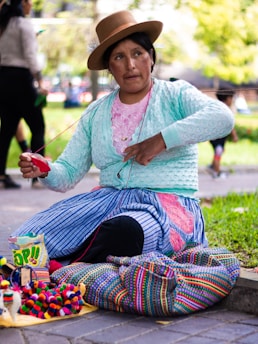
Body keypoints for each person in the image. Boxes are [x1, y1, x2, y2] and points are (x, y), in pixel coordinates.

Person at [14, 11, 234, 266]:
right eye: (119, 57)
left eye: (138, 53)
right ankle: (78, 264)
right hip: (107, 204)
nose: (130, 64)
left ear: (151, 57)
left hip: (167, 209)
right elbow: (69, 173)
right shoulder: (96, 112)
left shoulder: (176, 94)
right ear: (110, 67)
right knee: (29, 236)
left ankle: (67, 266)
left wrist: (161, 139)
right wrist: (45, 168)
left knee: (124, 232)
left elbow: (223, 119)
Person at [0, 0, 47, 189]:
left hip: (3, 79)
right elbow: (30, 56)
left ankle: (1, 176)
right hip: (21, 79)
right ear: (22, 4)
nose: (30, 5)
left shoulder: (2, 26)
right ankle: (37, 176)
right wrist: (41, 82)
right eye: (28, 1)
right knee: (38, 126)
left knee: (6, 130)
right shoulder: (24, 24)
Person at [209, 88, 238, 178]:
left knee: (218, 152)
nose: (232, 101)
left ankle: (212, 166)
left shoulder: (217, 107)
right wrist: (234, 136)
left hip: (214, 136)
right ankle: (216, 173)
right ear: (228, 98)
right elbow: (230, 125)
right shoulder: (225, 110)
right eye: (232, 99)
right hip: (219, 137)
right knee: (218, 154)